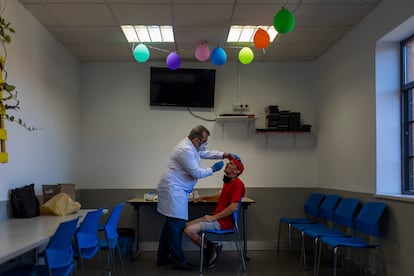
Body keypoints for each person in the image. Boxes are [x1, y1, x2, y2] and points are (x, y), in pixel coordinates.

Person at [156, 125, 234, 270]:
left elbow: (206, 153)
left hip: (178, 189)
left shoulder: (193, 146)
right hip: (173, 188)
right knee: (177, 224)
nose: (205, 144)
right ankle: (179, 261)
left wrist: (224, 154)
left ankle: (162, 256)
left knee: (171, 223)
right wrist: (213, 169)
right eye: (204, 141)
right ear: (197, 140)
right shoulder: (184, 149)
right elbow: (196, 173)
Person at [184, 154, 245, 269]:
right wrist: (204, 198)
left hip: (223, 222)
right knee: (186, 225)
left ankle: (209, 248)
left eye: (231, 164)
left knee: (188, 230)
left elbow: (233, 207)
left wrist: (212, 218)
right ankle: (211, 247)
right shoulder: (229, 183)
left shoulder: (237, 184)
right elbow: (221, 196)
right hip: (216, 218)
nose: (227, 163)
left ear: (237, 171)